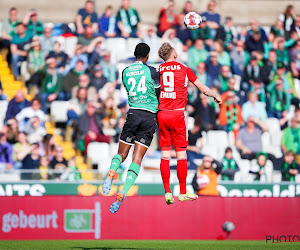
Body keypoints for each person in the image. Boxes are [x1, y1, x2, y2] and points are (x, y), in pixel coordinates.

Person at [157, 42, 221, 205]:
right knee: (181, 156)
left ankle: (167, 192)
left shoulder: (159, 70)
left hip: (162, 114)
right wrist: (214, 95)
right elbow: (202, 88)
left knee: (165, 155)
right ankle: (183, 192)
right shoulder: (184, 69)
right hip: (178, 115)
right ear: (174, 54)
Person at [102, 43, 160, 213]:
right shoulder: (152, 71)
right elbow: (157, 92)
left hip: (133, 114)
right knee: (137, 160)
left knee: (121, 154)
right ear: (147, 56)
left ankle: (112, 171)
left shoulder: (125, 72)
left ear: (134, 54)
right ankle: (124, 191)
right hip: (149, 116)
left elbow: (129, 91)